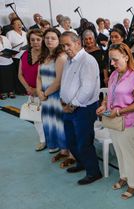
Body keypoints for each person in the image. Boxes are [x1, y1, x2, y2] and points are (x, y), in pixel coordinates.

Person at [96, 43, 134, 199]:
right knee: (119, 150)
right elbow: (109, 96)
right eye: (111, 60)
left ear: (126, 57)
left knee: (130, 153)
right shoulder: (114, 75)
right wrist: (104, 106)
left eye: (115, 60)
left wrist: (118, 111)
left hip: (128, 122)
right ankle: (124, 176)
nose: (112, 63)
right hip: (113, 121)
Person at [59, 31, 102, 184]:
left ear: (78, 43)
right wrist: (63, 102)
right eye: (63, 45)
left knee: (84, 141)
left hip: (83, 108)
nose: (65, 48)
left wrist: (72, 104)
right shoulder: (68, 61)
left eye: (68, 45)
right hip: (68, 107)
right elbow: (65, 83)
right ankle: (82, 163)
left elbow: (87, 88)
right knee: (71, 140)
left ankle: (93, 172)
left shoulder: (88, 61)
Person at [36, 28, 71, 163]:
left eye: (53, 38)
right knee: (50, 123)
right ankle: (62, 151)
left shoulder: (61, 58)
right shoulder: (43, 57)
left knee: (60, 124)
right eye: (47, 38)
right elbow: (39, 77)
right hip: (45, 97)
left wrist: (44, 93)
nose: (49, 40)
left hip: (56, 96)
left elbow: (58, 81)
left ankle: (67, 151)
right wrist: (39, 92)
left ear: (59, 41)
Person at [18, 29, 46, 151]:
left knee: (47, 118)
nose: (35, 42)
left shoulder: (47, 56)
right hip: (31, 92)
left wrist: (37, 89)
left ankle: (52, 140)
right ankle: (42, 140)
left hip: (44, 91)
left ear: (43, 40)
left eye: (38, 39)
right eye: (32, 40)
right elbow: (20, 74)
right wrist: (28, 88)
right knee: (36, 118)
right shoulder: (24, 55)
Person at [6, 17, 28, 97]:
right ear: (12, 25)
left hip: (25, 56)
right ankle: (20, 90)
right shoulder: (10, 33)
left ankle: (26, 89)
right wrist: (14, 48)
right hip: (16, 56)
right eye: (17, 23)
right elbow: (7, 46)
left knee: (26, 74)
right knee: (19, 74)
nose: (19, 25)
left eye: (20, 23)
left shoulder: (25, 33)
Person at [0, 27, 15, 99]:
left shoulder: (5, 37)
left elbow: (9, 47)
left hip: (9, 60)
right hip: (0, 62)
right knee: (2, 78)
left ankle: (10, 91)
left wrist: (12, 52)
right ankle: (2, 92)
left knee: (10, 77)